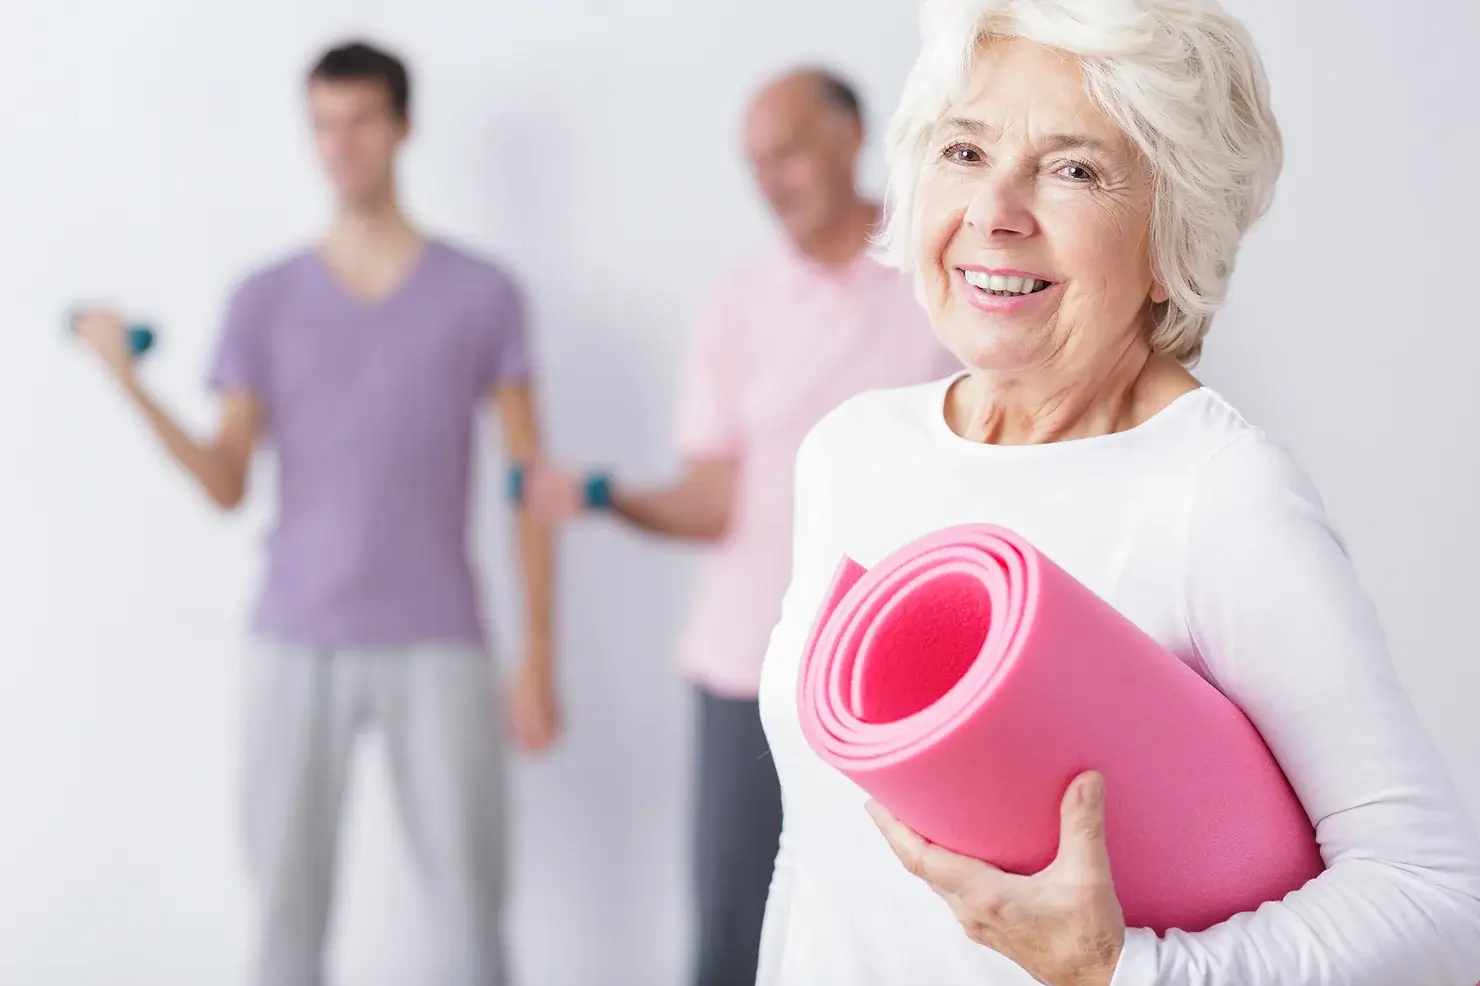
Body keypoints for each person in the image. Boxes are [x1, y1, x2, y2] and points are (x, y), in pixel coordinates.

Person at [748, 1, 1480, 984]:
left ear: (1171, 231)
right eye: (964, 151)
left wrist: (1122, 972)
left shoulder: (1216, 495)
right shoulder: (850, 451)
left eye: (1072, 168)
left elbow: (1434, 894)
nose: (995, 211)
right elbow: (817, 846)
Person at [72, 40, 559, 986]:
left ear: (403, 128)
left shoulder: (482, 294)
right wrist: (130, 383)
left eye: (361, 120)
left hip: (439, 640)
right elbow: (225, 481)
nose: (340, 145)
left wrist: (539, 649)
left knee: (472, 915)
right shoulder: (263, 300)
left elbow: (528, 485)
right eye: (323, 123)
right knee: (285, 920)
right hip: (293, 639)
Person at [524, 69, 959, 986]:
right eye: (755, 164)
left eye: (789, 151)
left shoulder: (940, 274)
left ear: (850, 139)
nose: (771, 180)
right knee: (733, 931)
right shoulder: (735, 301)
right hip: (746, 672)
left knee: (913, 928)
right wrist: (602, 493)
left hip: (905, 673)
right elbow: (712, 500)